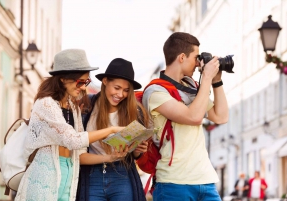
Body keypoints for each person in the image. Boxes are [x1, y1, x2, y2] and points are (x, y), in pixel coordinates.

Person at [15, 49, 125, 201]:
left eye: (86, 82)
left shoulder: (73, 109)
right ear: (63, 79)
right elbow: (72, 140)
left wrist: (110, 157)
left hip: (69, 180)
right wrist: (111, 130)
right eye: (80, 82)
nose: (83, 87)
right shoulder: (45, 104)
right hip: (43, 179)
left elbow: (80, 154)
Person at [141, 32, 229, 201]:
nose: (198, 63)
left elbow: (220, 116)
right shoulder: (156, 92)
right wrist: (206, 78)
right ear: (182, 57)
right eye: (196, 57)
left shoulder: (192, 86)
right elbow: (193, 117)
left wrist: (216, 81)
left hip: (206, 180)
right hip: (174, 182)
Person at [76, 58, 150, 201]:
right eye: (117, 88)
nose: (121, 94)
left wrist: (138, 149)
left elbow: (135, 156)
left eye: (126, 90)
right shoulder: (86, 106)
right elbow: (77, 147)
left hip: (122, 173)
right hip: (92, 174)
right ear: (105, 81)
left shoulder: (135, 111)